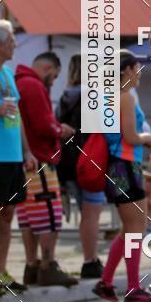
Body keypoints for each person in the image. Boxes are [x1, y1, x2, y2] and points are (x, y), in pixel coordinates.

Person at [93, 50, 151, 302]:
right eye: (137, 68)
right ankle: (133, 287)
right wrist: (149, 139)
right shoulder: (125, 97)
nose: (140, 73)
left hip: (115, 165)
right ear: (126, 70)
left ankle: (107, 282)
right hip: (125, 165)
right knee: (136, 229)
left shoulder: (106, 96)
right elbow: (132, 137)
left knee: (129, 229)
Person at [15, 52, 78, 288]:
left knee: (29, 218)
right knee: (49, 216)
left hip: (26, 163)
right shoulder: (32, 85)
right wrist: (59, 129)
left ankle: (32, 266)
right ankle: (48, 265)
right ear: (47, 67)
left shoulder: (20, 82)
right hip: (40, 161)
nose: (53, 81)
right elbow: (44, 125)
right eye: (54, 75)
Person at [0, 20, 35, 295]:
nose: (16, 44)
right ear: (1, 44)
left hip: (13, 155)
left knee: (7, 214)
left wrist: (26, 151)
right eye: (13, 40)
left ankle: (0, 271)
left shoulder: (7, 73)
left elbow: (17, 114)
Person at [56, 53, 105, 279]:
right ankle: (91, 260)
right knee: (91, 212)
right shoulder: (92, 95)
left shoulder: (64, 97)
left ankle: (89, 258)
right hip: (90, 159)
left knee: (84, 210)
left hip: (67, 161)